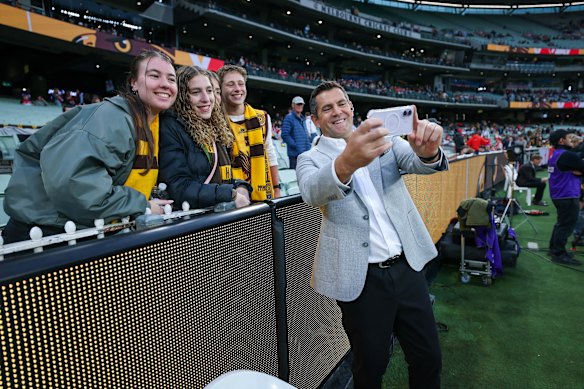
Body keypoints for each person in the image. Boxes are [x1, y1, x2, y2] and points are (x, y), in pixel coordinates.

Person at [296, 81, 446, 389]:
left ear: (352, 107)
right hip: (361, 281)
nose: (337, 111)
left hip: (408, 267)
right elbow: (312, 192)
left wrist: (429, 153)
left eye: (341, 103)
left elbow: (419, 162)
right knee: (371, 365)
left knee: (428, 357)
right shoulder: (309, 159)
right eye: (327, 108)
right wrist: (346, 162)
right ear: (315, 120)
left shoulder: (386, 140)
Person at [2, 50, 176, 243]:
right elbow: (76, 187)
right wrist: (142, 205)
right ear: (133, 83)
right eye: (154, 75)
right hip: (45, 233)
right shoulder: (111, 118)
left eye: (171, 79)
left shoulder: (151, 123)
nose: (165, 84)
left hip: (77, 229)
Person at [159, 65, 251, 209]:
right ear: (182, 96)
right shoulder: (170, 126)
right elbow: (179, 187)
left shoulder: (213, 126)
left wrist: (240, 187)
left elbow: (220, 179)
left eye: (209, 91)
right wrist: (229, 194)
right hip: (191, 223)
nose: (206, 98)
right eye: (196, 92)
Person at [217, 65, 281, 200]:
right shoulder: (214, 121)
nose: (237, 89)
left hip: (263, 192)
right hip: (230, 195)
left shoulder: (262, 118)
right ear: (220, 89)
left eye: (241, 84)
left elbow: (270, 154)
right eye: (230, 84)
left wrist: (277, 188)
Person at [547, 130, 584, 266]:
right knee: (566, 225)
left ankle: (554, 249)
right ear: (562, 140)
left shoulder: (555, 154)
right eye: (569, 138)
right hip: (567, 194)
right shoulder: (567, 155)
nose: (571, 140)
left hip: (559, 194)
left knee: (561, 223)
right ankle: (559, 253)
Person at [281, 96, 316, 169]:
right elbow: (285, 135)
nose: (299, 106)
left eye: (301, 104)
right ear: (293, 105)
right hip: (295, 155)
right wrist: (295, 145)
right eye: (298, 104)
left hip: (305, 153)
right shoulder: (289, 118)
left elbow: (305, 135)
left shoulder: (302, 119)